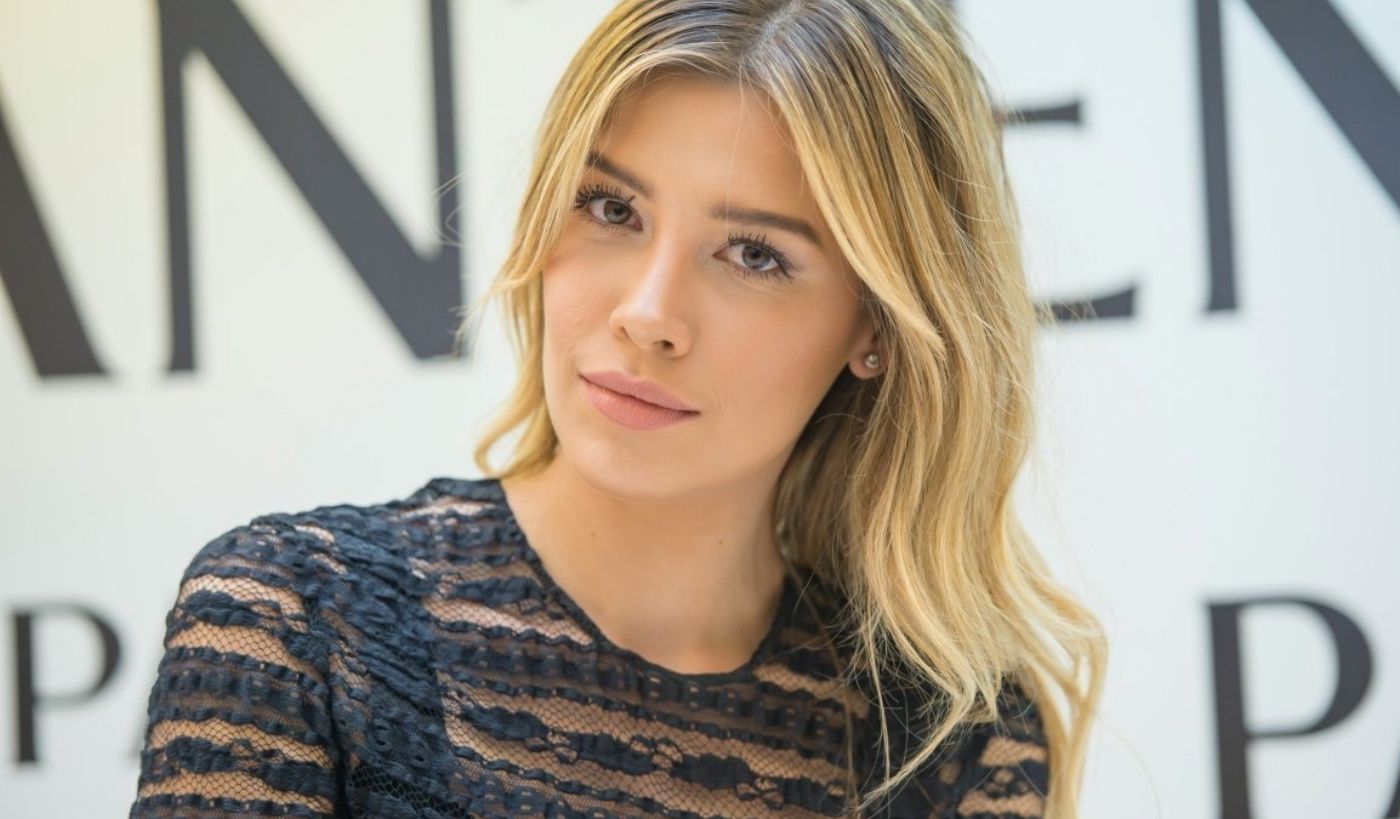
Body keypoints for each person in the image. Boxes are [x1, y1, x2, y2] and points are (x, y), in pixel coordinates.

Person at [129, 0, 1106, 816]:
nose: (647, 314)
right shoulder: (295, 625)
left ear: (878, 324)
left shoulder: (955, 744)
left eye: (754, 254)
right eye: (612, 208)